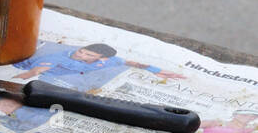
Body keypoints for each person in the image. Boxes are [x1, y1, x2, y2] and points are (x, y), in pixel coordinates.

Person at [12, 42, 185, 90]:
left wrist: (157, 71)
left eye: (88, 55)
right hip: (18, 67)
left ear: (100, 58)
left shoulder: (108, 60)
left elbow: (129, 62)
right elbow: (35, 71)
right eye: (82, 51)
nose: (81, 54)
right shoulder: (59, 58)